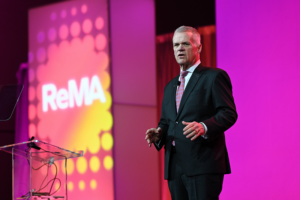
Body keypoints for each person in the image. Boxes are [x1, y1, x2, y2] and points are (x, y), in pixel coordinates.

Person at [145, 26, 237, 200]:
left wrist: (204, 127)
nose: (180, 48)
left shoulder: (214, 77)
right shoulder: (170, 86)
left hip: (203, 165)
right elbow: (167, 121)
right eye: (176, 45)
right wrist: (159, 133)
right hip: (175, 167)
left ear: (199, 47)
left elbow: (228, 113)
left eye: (185, 44)